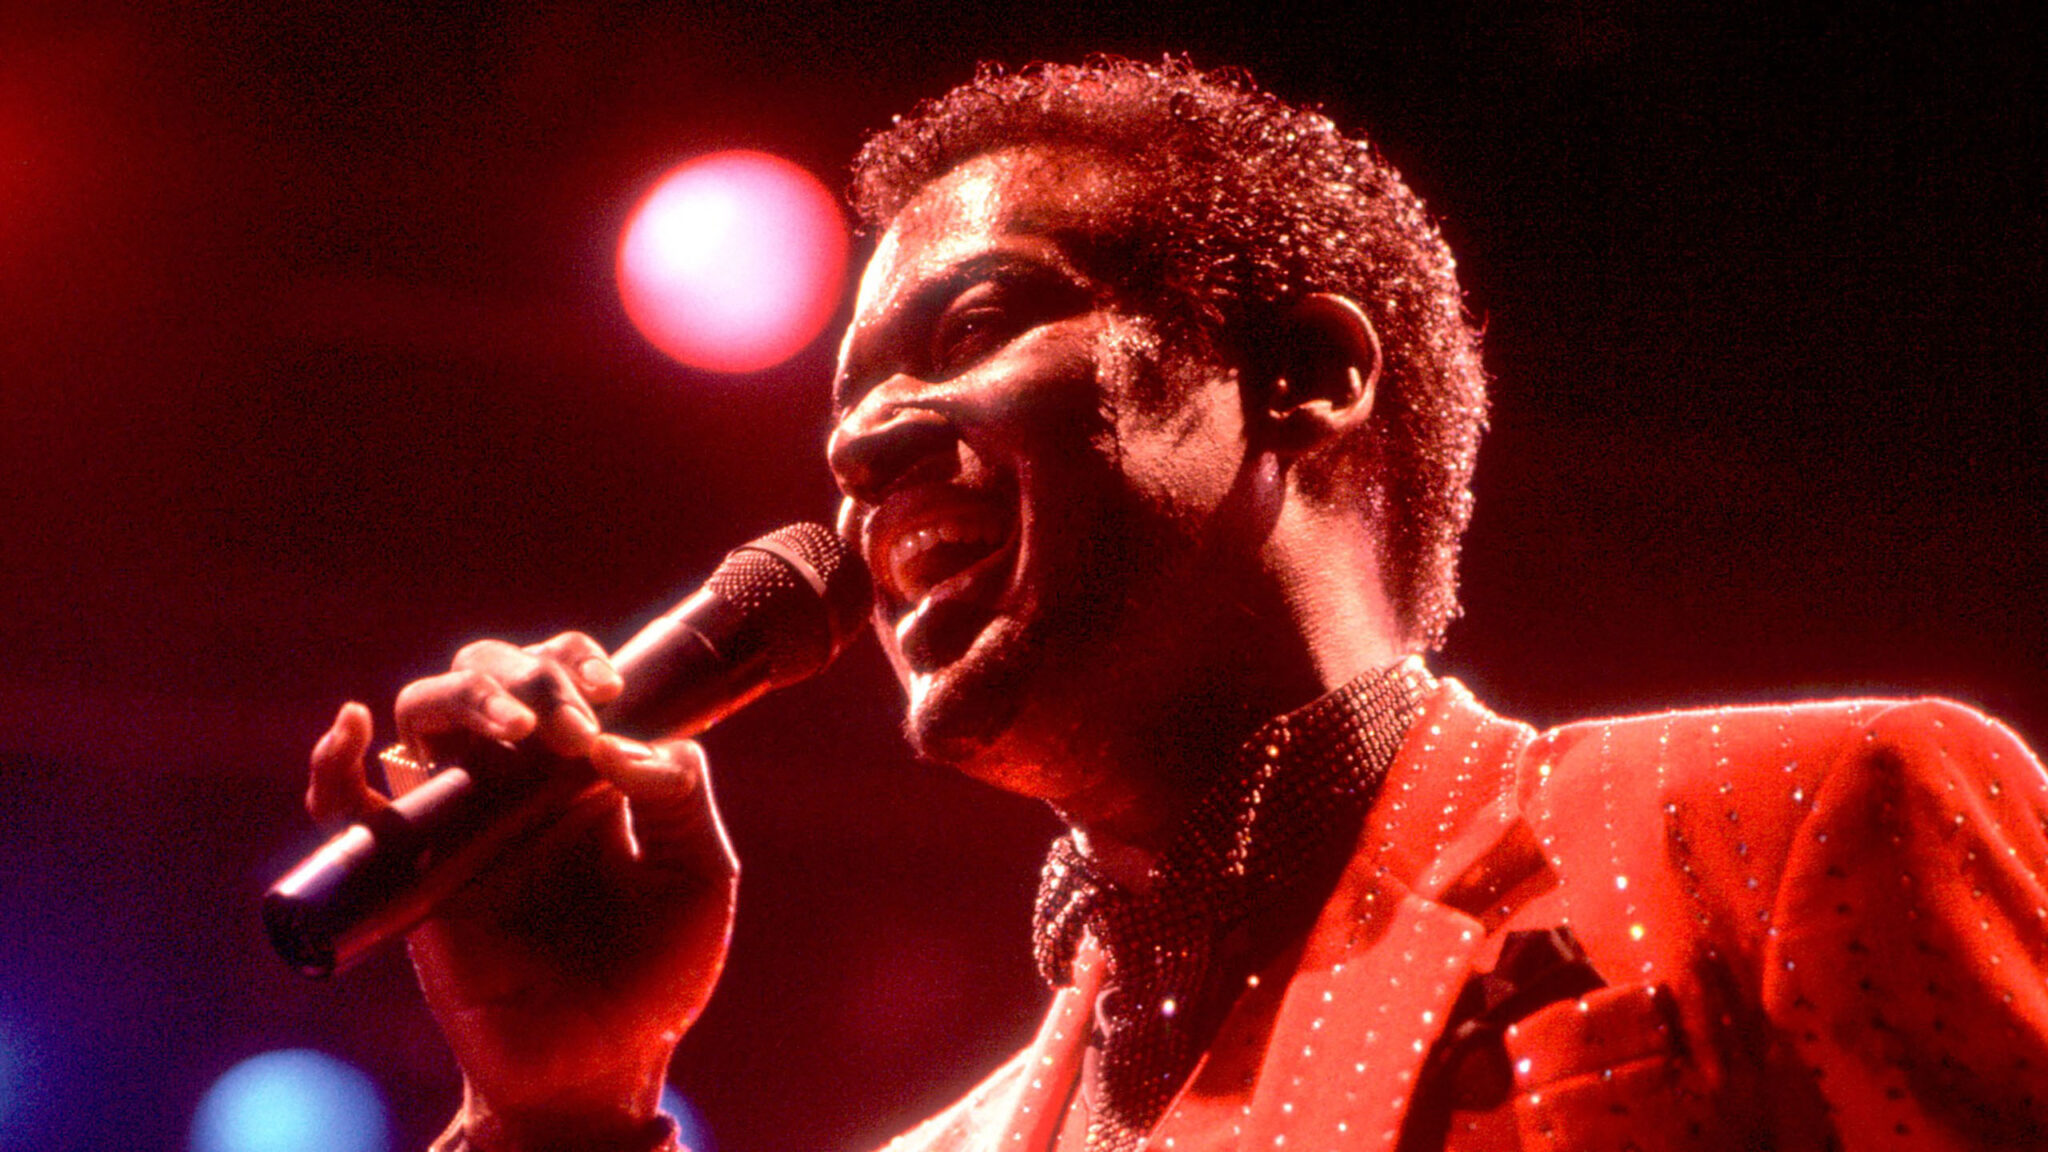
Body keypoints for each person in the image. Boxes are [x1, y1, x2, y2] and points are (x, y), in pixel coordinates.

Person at [305, 58, 2048, 1152]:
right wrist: (562, 1099)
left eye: (975, 327)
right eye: (843, 397)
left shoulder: (1798, 823)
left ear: (1303, 377)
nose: (859, 436)